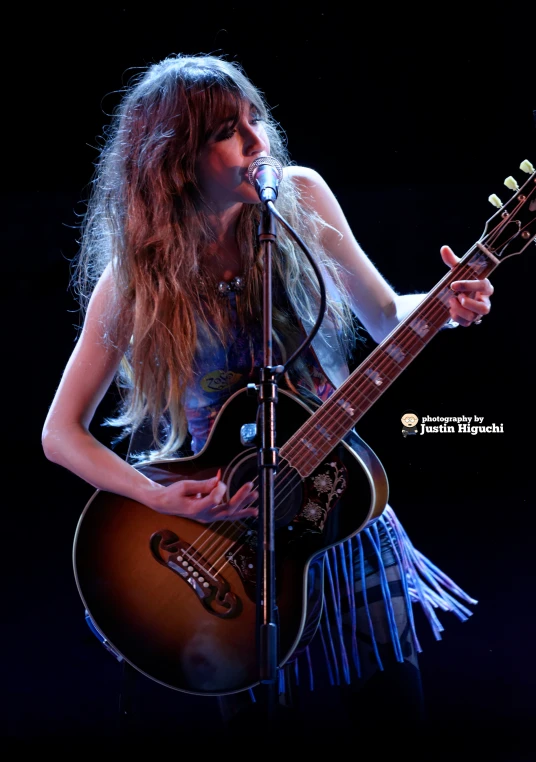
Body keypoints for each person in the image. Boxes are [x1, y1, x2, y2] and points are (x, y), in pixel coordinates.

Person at [41, 53, 493, 742]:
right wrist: (155, 495)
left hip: (335, 510)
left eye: (255, 120)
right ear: (176, 160)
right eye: (230, 130)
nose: (259, 142)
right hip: (220, 535)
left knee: (397, 719)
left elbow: (384, 315)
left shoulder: (302, 198)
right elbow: (60, 433)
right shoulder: (135, 280)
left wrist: (444, 308)